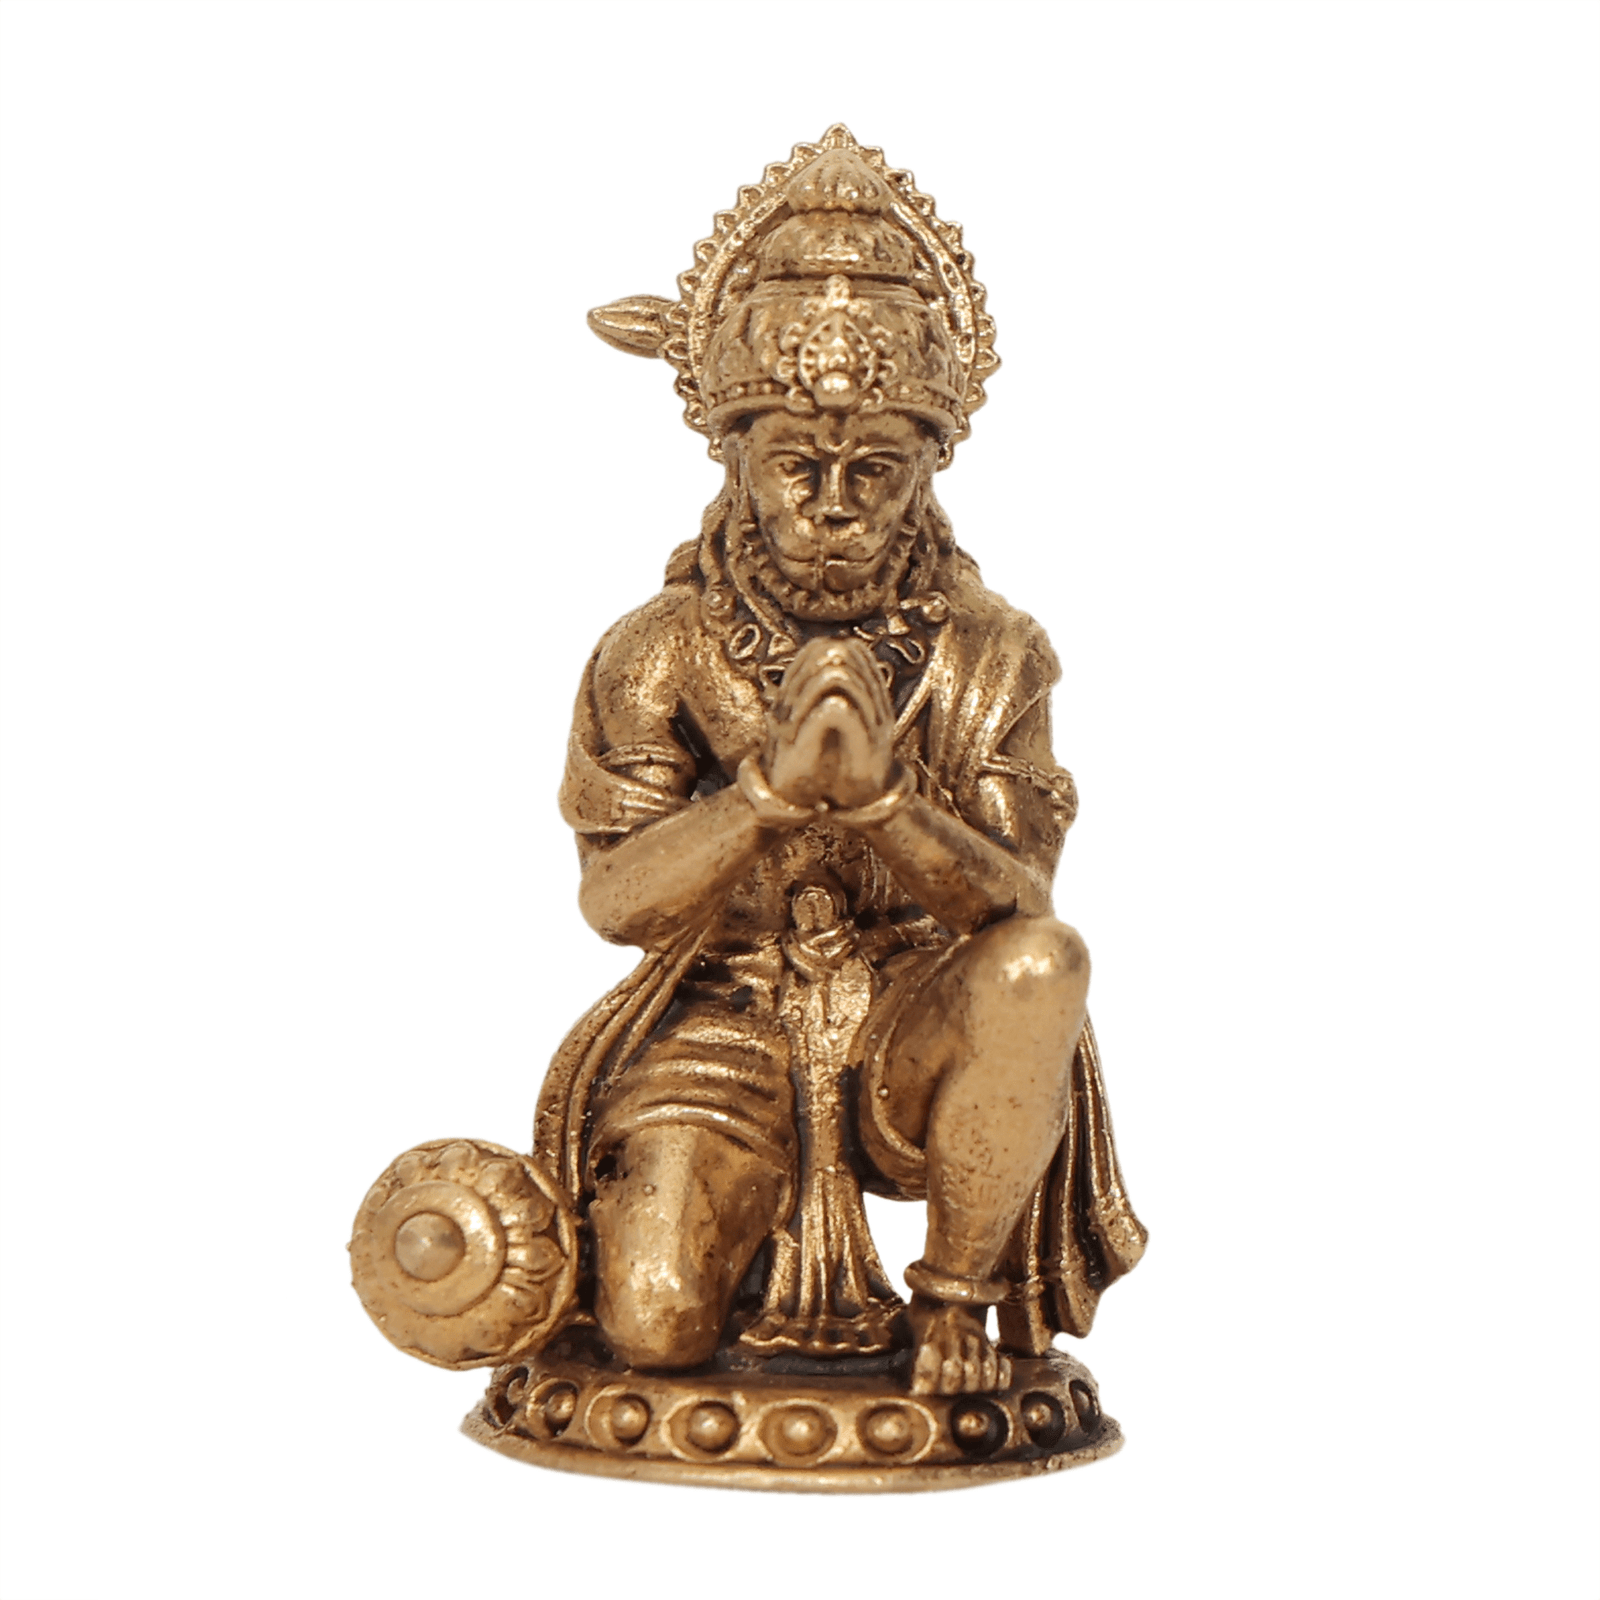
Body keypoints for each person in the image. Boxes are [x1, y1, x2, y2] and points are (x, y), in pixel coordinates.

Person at [534, 130, 1144, 1397]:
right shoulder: (660, 650)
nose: (831, 506)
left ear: (927, 470)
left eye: (874, 471)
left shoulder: (989, 650)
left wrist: (881, 804)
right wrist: (762, 800)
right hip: (727, 1011)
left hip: (919, 1020)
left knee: (1044, 966)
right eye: (794, 468)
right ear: (734, 460)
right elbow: (614, 901)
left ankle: (957, 1299)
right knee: (654, 1324)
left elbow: (1017, 906)